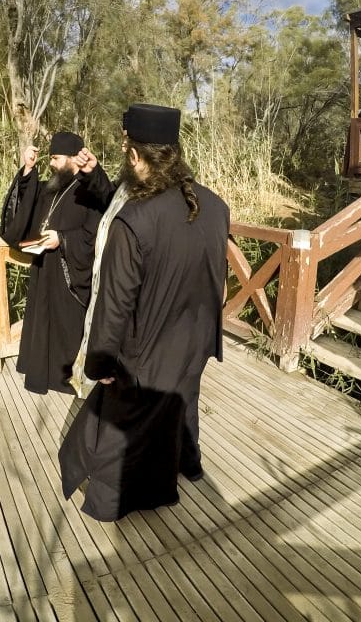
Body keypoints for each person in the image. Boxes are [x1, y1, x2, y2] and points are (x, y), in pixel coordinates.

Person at [59, 103, 230, 522]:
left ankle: (110, 503)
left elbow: (114, 307)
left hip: (147, 349)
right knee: (181, 402)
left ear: (134, 156)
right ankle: (187, 464)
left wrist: (100, 362)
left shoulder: (134, 221)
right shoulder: (215, 205)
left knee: (121, 427)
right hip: (197, 341)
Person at [0, 131, 112, 395]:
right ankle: (42, 374)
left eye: (56, 158)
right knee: (43, 322)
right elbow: (24, 208)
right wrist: (28, 169)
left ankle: (67, 378)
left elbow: (95, 235)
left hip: (69, 273)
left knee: (67, 325)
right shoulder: (52, 188)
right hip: (44, 269)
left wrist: (62, 239)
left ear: (74, 159)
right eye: (50, 158)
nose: (51, 163)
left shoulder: (88, 191)